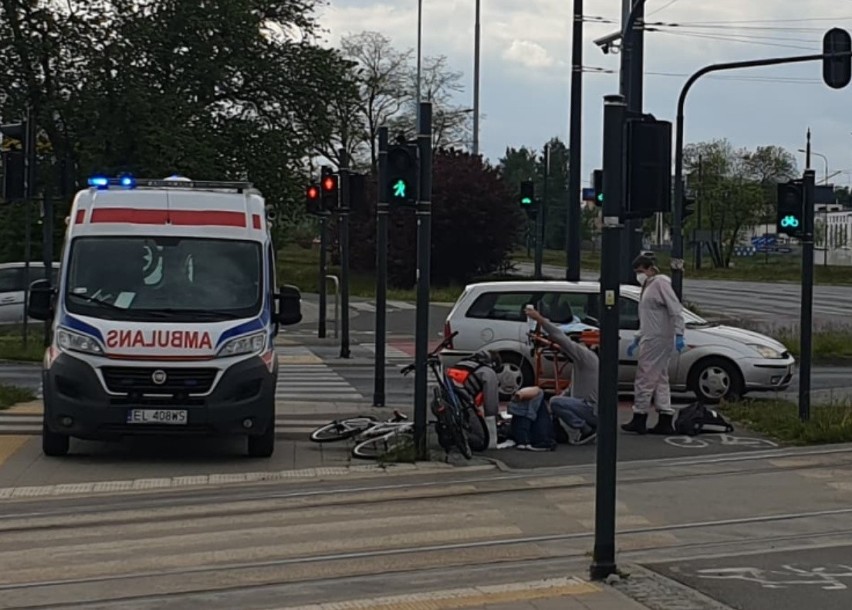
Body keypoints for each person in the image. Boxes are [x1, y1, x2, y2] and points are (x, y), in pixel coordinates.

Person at [621, 253, 686, 435]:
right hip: (652, 335)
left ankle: (640, 415)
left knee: (645, 376)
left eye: (641, 271)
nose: (638, 275)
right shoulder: (649, 286)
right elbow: (648, 317)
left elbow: (675, 309)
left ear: (650, 269)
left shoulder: (660, 283)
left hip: (657, 338)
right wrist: (638, 336)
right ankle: (665, 415)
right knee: (659, 377)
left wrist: (679, 332)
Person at [526, 305, 599, 445]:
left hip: (591, 409)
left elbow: (561, 339)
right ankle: (586, 427)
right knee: (558, 401)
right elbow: (572, 389)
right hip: (593, 409)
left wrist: (539, 319)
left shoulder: (586, 356)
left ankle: (586, 429)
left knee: (555, 402)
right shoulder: (588, 363)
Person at [447, 350, 505, 450]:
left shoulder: (459, 365)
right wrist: (492, 423)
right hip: (465, 404)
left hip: (448, 401)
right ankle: (463, 439)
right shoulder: (488, 372)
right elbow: (491, 403)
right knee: (480, 439)